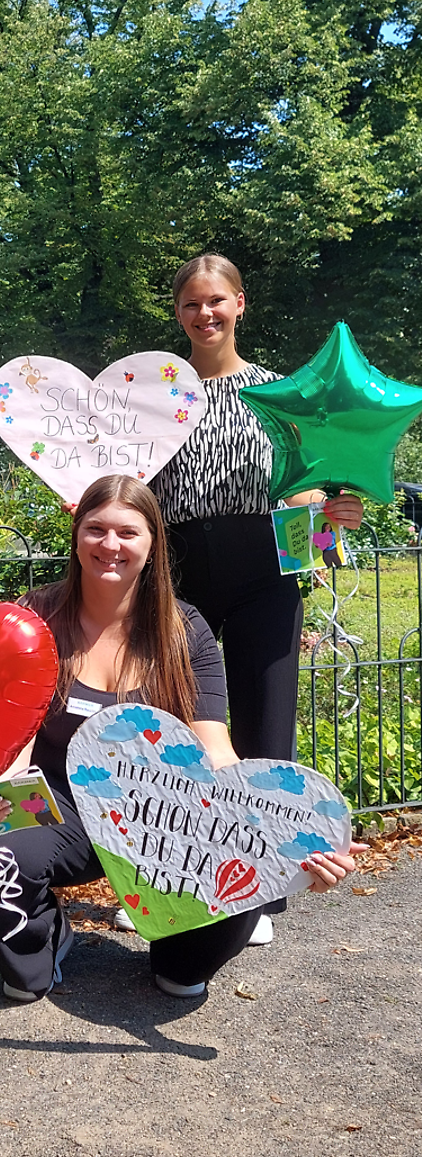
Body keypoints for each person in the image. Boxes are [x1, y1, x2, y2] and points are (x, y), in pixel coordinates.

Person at [0, 476, 364, 1003]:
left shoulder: (185, 631)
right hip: (61, 805)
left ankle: (181, 956)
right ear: (76, 537)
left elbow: (217, 754)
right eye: (95, 529)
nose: (110, 545)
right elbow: (16, 748)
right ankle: (47, 940)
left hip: (162, 817)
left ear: (153, 543)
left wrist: (291, 845)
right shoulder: (37, 619)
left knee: (190, 967)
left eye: (127, 532)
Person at [147, 254, 364, 944]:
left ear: (240, 303)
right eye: (190, 304)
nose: (204, 314)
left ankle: (260, 891)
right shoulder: (157, 394)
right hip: (175, 577)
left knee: (266, 733)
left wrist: (337, 507)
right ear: (177, 313)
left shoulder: (280, 392)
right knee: (176, 734)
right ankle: (174, 879)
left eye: (216, 301)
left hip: (266, 572)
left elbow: (319, 485)